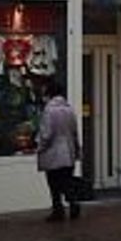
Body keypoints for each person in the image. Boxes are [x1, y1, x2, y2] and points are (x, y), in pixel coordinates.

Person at [36, 80, 82, 221]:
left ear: (49, 93)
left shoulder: (49, 111)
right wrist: (76, 150)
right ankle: (73, 202)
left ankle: (58, 210)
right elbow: (74, 132)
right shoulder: (69, 109)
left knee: (54, 183)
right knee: (66, 181)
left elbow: (46, 134)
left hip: (53, 153)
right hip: (68, 151)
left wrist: (40, 147)